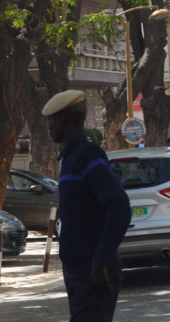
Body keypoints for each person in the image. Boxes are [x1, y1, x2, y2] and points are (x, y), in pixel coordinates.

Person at [42, 90, 132, 322]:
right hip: (79, 273)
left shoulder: (87, 156)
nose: (48, 127)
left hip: (92, 274)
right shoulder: (72, 157)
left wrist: (99, 261)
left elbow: (119, 206)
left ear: (62, 119)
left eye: (50, 121)